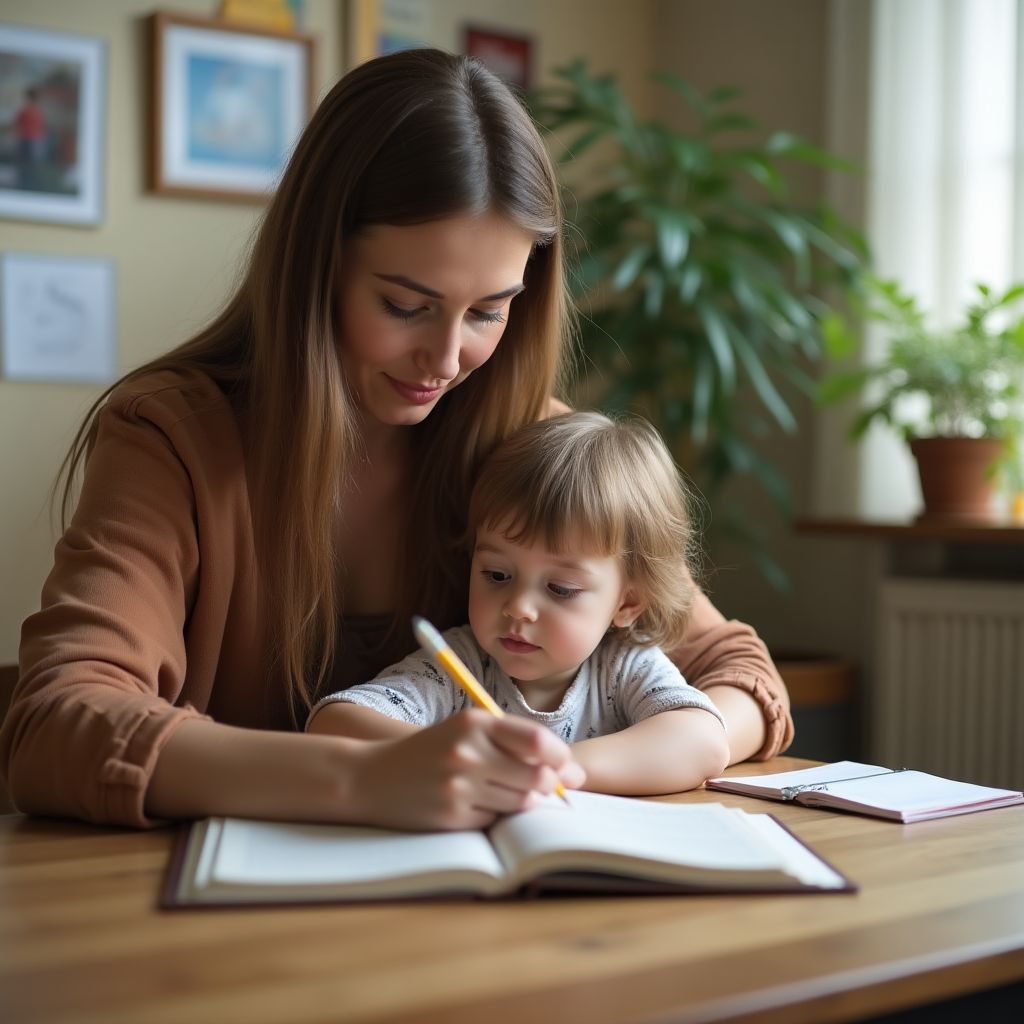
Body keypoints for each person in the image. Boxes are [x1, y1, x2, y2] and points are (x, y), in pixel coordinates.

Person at [0, 49, 792, 833]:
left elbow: (739, 673)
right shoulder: (172, 438)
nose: (447, 361)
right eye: (407, 305)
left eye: (487, 311)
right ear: (319, 267)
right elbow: (56, 725)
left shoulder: (536, 452)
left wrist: (668, 744)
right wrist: (364, 777)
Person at [308, 411, 730, 796]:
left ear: (628, 602)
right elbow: (334, 724)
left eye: (560, 589)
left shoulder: (623, 666)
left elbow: (705, 742)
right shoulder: (461, 665)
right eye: (496, 575)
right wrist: (465, 759)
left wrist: (555, 769)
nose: (518, 608)